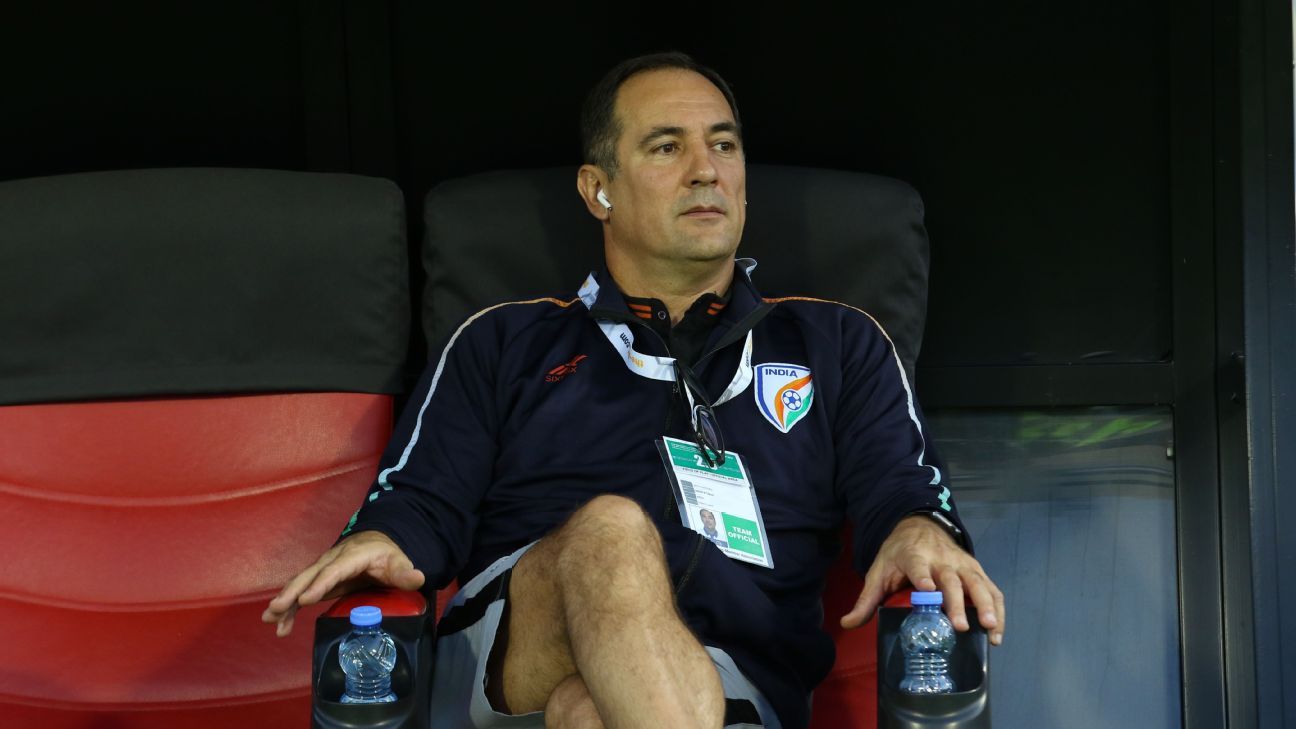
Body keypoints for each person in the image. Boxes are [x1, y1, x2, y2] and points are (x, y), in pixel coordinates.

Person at [264, 52, 1005, 729]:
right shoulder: (503, 341)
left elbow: (901, 488)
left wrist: (919, 528)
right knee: (610, 534)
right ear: (598, 190)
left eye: (724, 145)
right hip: (522, 648)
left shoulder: (837, 342)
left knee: (588, 712)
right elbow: (421, 498)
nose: (706, 170)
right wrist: (383, 536)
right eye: (666, 147)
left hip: (735, 686)